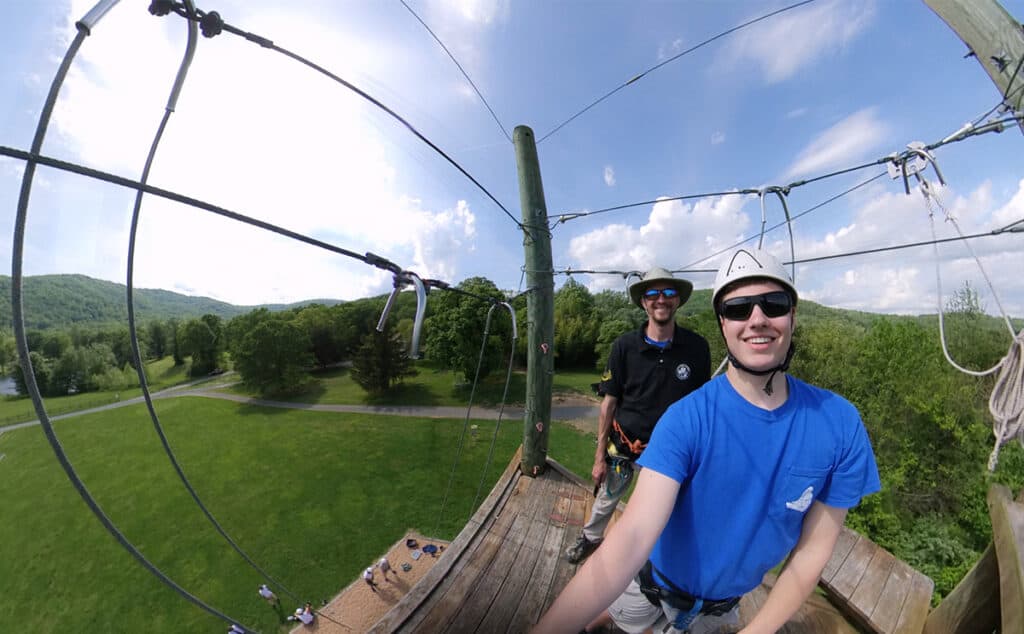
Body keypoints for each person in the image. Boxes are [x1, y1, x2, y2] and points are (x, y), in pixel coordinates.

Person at [535, 248, 881, 634]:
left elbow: (813, 550)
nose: (757, 319)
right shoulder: (684, 419)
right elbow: (630, 540)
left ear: (793, 315)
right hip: (650, 577)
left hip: (719, 612)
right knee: (620, 614)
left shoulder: (840, 425)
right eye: (738, 309)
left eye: (774, 304)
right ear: (723, 323)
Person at [565, 266, 711, 564]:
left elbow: (702, 409)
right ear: (643, 302)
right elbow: (609, 404)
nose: (661, 299)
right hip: (623, 445)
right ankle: (591, 538)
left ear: (678, 301)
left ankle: (650, 559)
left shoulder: (696, 349)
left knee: (659, 509)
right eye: (653, 293)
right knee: (607, 499)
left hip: (668, 454)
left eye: (669, 292)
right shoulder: (624, 347)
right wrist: (598, 458)